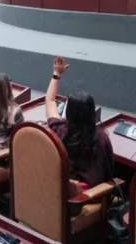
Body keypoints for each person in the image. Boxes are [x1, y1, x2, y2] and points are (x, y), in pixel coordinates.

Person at [44, 57, 114, 193]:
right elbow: (109, 171)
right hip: (86, 196)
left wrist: (57, 74)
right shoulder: (101, 138)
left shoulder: (58, 129)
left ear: (68, 111)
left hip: (60, 190)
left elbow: (50, 100)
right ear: (92, 112)